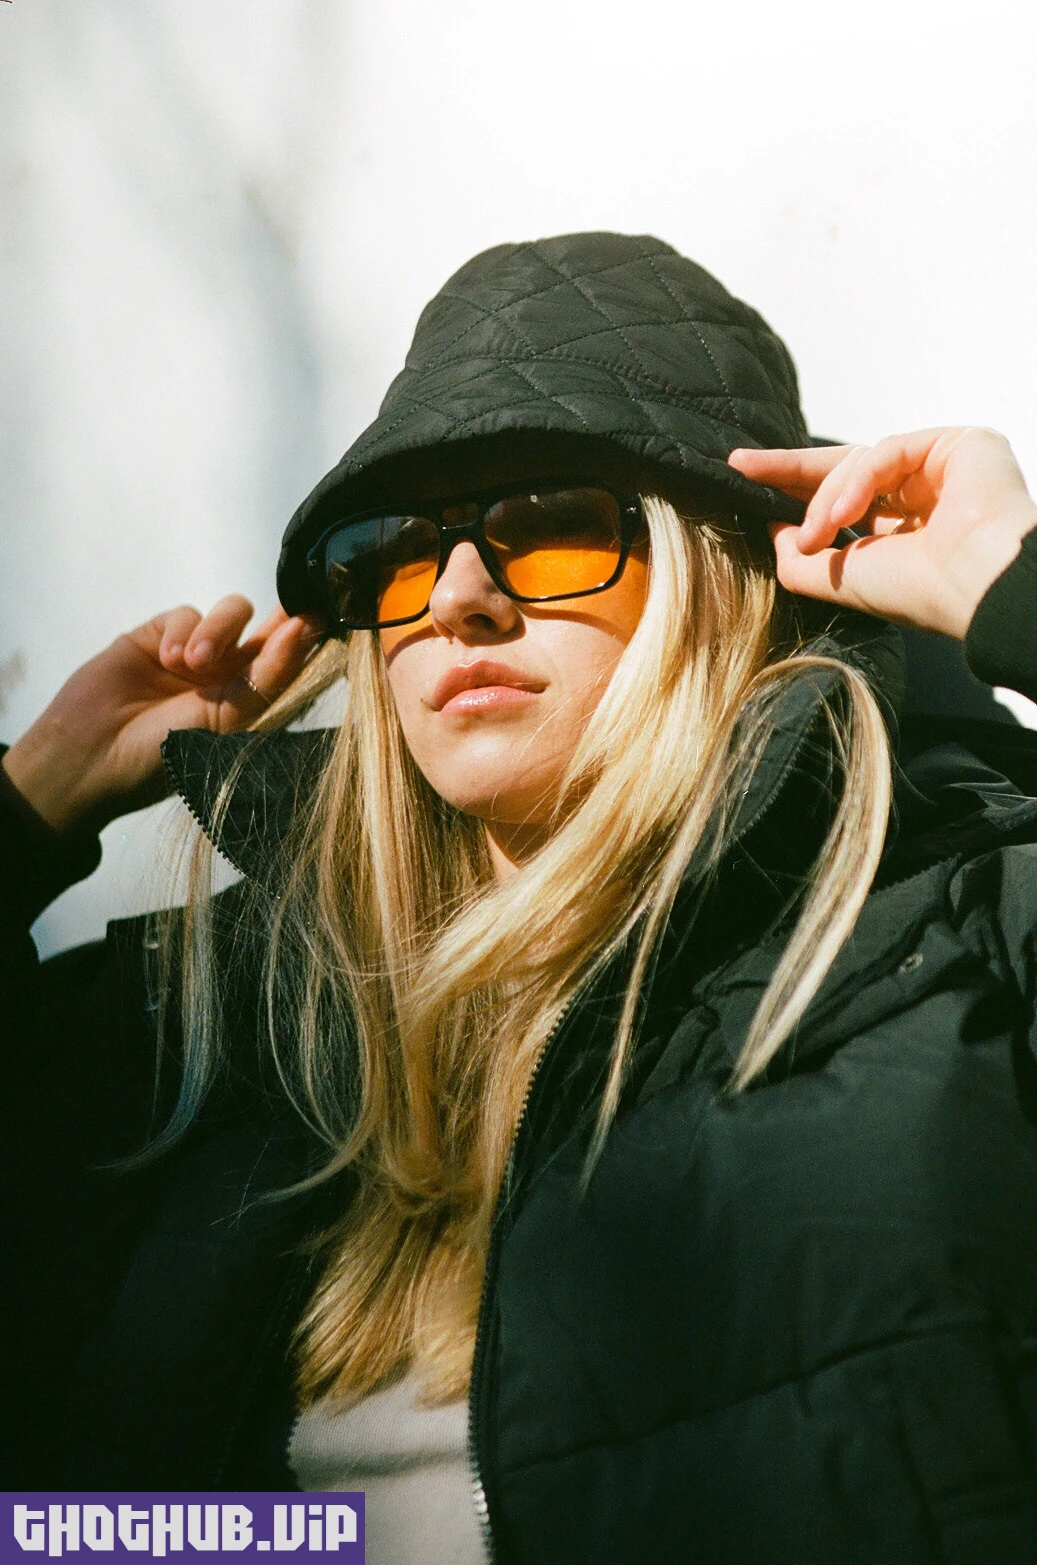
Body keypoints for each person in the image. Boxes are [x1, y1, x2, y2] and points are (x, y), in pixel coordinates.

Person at [5, 230, 1037, 1562]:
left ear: (720, 578)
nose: (459, 598)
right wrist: (31, 803)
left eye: (551, 529)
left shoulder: (964, 941)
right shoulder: (224, 1033)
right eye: (396, 551)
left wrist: (1011, 583)